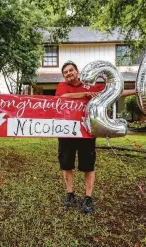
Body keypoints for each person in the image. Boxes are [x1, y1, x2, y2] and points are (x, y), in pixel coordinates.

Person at [55, 61, 135, 213]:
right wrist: (84, 95)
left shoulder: (92, 86)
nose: (68, 74)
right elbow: (63, 97)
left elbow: (114, 92)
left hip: (87, 133)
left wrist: (136, 91)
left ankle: (88, 198)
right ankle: (70, 195)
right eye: (65, 72)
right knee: (66, 165)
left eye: (71, 70)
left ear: (77, 71)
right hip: (66, 132)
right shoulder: (62, 86)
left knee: (88, 166)